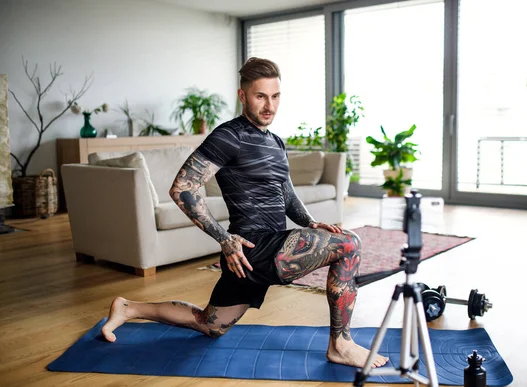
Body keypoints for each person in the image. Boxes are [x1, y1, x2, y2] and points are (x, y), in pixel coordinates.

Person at [101, 57, 388, 368]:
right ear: (243, 96)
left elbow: (286, 192)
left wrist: (309, 222)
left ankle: (128, 308)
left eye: (275, 96)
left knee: (210, 323)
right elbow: (183, 187)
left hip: (260, 249)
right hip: (253, 246)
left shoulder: (276, 142)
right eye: (260, 96)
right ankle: (340, 344)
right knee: (350, 244)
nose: (270, 106)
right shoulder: (229, 136)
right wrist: (224, 239)